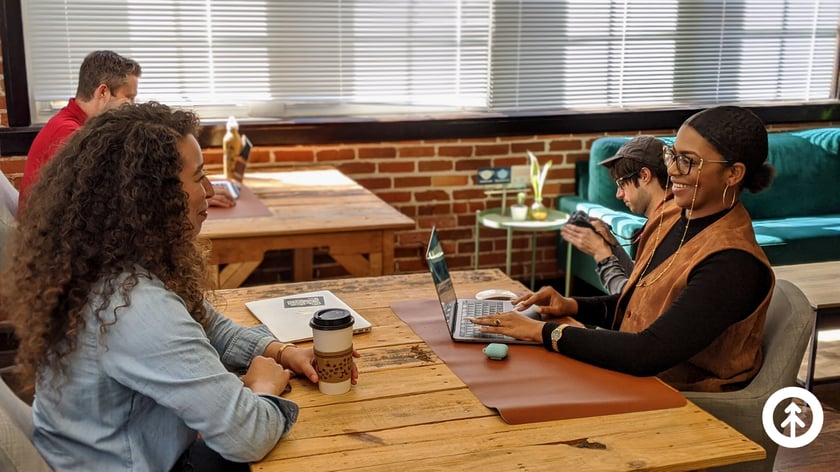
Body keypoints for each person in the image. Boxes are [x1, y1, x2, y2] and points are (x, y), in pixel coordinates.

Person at [0, 102, 358, 471]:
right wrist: (262, 387)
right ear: (152, 196)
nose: (208, 189)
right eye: (199, 176)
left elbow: (204, 323)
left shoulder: (101, 267)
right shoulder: (134, 306)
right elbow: (247, 434)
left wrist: (281, 352)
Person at [472, 105, 775, 393]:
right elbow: (640, 307)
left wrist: (540, 331)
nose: (672, 170)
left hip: (686, 398)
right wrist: (571, 306)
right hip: (643, 376)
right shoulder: (673, 216)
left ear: (733, 174)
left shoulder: (732, 262)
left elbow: (648, 352)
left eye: (688, 161)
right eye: (672, 156)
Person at [18, 49, 236, 209]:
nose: (132, 106)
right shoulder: (70, 135)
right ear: (103, 92)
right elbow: (114, 195)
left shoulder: (83, 128)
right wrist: (188, 194)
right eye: (129, 98)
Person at [562, 135, 671, 294]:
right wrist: (612, 245)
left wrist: (602, 255)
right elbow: (638, 279)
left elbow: (634, 299)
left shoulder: (671, 226)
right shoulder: (660, 218)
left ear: (644, 176)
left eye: (622, 184)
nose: (618, 195)